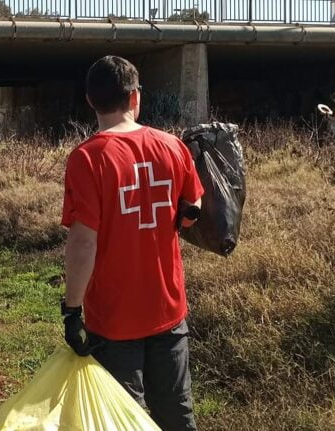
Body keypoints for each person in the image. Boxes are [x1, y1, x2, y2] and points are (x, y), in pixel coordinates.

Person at [60, 56, 203, 431]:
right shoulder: (173, 147)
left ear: (90, 100)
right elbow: (193, 208)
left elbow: (83, 242)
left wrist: (72, 310)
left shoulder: (87, 158)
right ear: (136, 97)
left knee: (124, 417)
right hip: (168, 307)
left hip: (113, 316)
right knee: (177, 412)